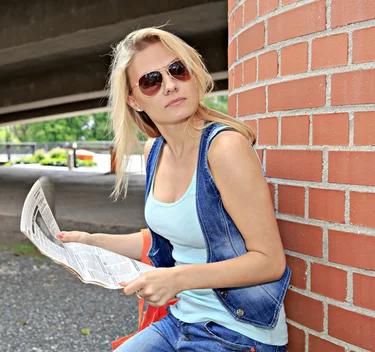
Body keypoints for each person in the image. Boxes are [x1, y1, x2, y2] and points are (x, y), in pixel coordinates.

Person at [57, 27, 290, 352]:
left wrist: (177, 279)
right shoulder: (156, 150)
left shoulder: (224, 148)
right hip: (178, 322)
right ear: (134, 100)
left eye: (177, 69)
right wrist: (93, 242)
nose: (170, 85)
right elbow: (172, 236)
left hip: (237, 334)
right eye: (151, 80)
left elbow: (269, 261)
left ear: (192, 75)